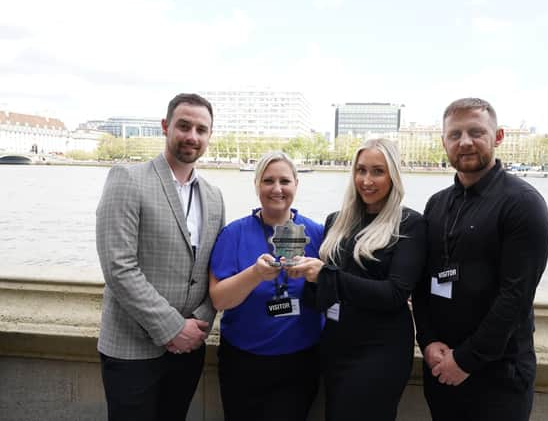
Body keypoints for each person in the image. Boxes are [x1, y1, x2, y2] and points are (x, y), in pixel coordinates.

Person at [412, 97, 548, 421]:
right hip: (441, 366)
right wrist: (429, 340)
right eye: (455, 134)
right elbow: (421, 282)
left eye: (476, 132)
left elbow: (516, 296)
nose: (465, 142)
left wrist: (465, 360)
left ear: (498, 136)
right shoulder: (436, 204)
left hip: (498, 375)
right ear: (444, 141)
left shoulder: (523, 204)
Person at [96, 93, 225, 421]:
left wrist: (199, 324)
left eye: (201, 129)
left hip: (189, 348)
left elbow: (216, 268)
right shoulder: (128, 178)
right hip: (132, 350)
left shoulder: (214, 196)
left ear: (209, 135)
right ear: (166, 126)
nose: (192, 136)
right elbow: (118, 266)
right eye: (184, 126)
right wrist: (171, 328)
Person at [288, 138, 427, 421]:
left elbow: (395, 294)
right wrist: (306, 278)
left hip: (381, 350)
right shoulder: (335, 221)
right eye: (361, 170)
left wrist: (326, 275)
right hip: (336, 346)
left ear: (394, 176)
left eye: (378, 171)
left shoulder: (410, 224)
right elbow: (323, 296)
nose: (367, 180)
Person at [208, 151, 324, 421]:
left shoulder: (317, 233)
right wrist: (255, 274)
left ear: (297, 184)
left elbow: (334, 293)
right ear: (257, 185)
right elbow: (219, 301)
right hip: (243, 361)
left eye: (285, 181)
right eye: (268, 181)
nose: (277, 189)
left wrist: (318, 276)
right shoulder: (233, 234)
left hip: (300, 361)